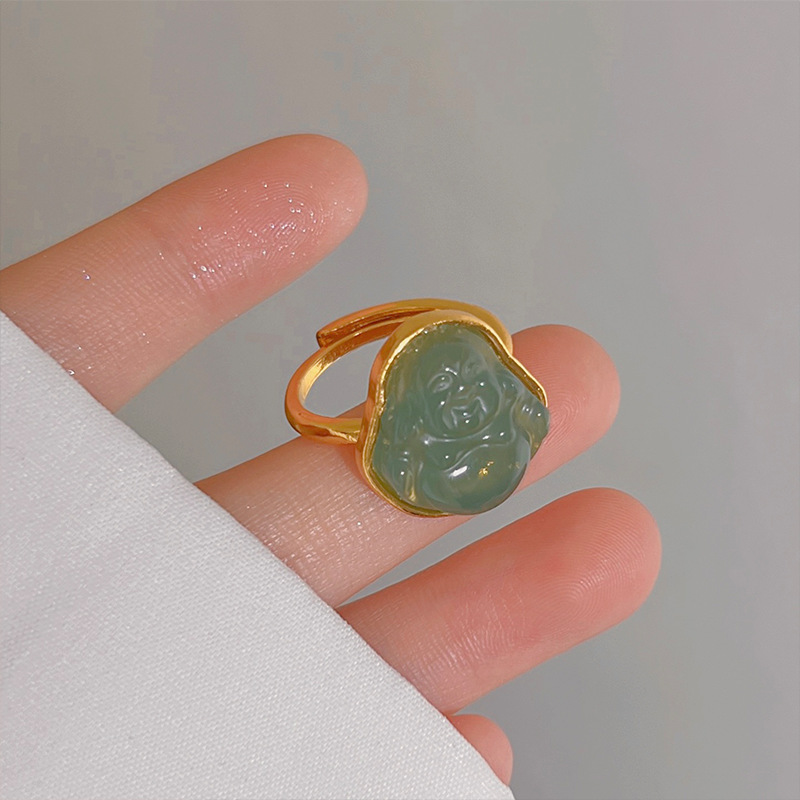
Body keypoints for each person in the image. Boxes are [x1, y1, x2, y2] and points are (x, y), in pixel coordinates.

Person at [0, 134, 661, 794]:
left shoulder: (508, 432)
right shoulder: (411, 463)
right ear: (411, 417)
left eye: (474, 381)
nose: (466, 398)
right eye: (442, 389)